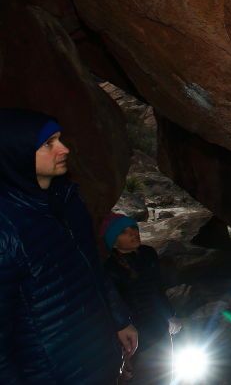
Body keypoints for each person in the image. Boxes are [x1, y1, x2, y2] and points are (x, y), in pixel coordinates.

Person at [0, 108, 138, 383]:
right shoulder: (7, 228)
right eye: (48, 144)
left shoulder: (68, 202)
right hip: (52, 372)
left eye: (60, 139)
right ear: (17, 152)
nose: (63, 149)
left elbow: (93, 268)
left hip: (99, 355)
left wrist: (119, 319)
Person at [102, 213, 181, 383]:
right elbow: (114, 306)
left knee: (167, 374)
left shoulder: (148, 253)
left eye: (134, 228)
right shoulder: (110, 269)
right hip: (137, 337)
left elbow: (158, 289)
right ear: (114, 241)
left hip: (160, 328)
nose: (133, 233)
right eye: (124, 231)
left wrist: (171, 315)